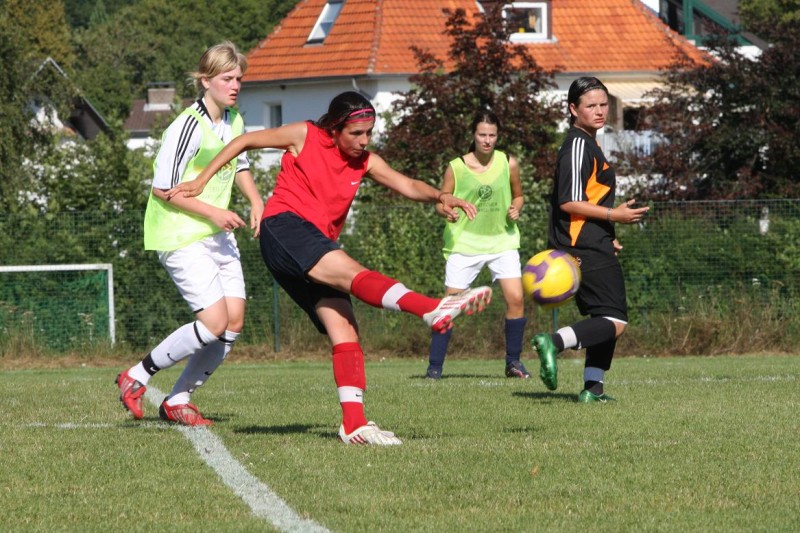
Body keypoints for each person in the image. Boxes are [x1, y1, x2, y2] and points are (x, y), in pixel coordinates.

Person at [167, 91, 492, 445]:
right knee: (352, 272)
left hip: (313, 243)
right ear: (335, 128)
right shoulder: (305, 135)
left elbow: (407, 184)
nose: (364, 140)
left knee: (345, 328)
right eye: (356, 133)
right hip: (285, 228)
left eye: (369, 133)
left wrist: (440, 196)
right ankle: (430, 308)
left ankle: (354, 424)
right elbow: (243, 141)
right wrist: (201, 181)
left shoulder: (365, 161)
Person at [115, 42, 264, 426]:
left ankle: (178, 399)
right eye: (227, 78)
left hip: (216, 233)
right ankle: (136, 375)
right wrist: (216, 212)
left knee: (233, 323)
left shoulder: (233, 120)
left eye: (239, 79)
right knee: (214, 323)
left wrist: (256, 200)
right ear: (205, 80)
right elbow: (163, 189)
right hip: (180, 233)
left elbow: (240, 165)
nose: (235, 86)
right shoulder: (187, 126)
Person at [530, 77, 649, 402]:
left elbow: (590, 198)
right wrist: (614, 216)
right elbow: (568, 202)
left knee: (604, 317)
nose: (599, 111)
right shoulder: (578, 145)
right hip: (581, 245)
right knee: (615, 320)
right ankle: (553, 342)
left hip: (593, 241)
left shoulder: (589, 143)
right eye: (590, 105)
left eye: (603, 104)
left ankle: (593, 389)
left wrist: (609, 234)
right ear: (573, 109)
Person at [426, 111, 529, 380]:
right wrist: (446, 212)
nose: (487, 140)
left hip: (502, 241)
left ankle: (513, 363)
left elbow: (519, 196)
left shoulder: (508, 162)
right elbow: (441, 201)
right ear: (473, 135)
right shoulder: (456, 167)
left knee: (516, 299)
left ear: (498, 136)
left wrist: (516, 208)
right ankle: (434, 368)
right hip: (464, 244)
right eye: (482, 134)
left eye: (492, 135)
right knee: (449, 307)